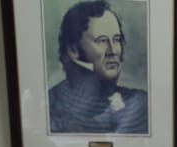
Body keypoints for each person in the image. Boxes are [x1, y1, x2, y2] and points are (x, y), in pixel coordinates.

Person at [48, 0, 149, 134]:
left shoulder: (139, 104)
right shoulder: (51, 103)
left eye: (116, 39)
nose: (113, 51)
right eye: (102, 41)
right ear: (73, 49)